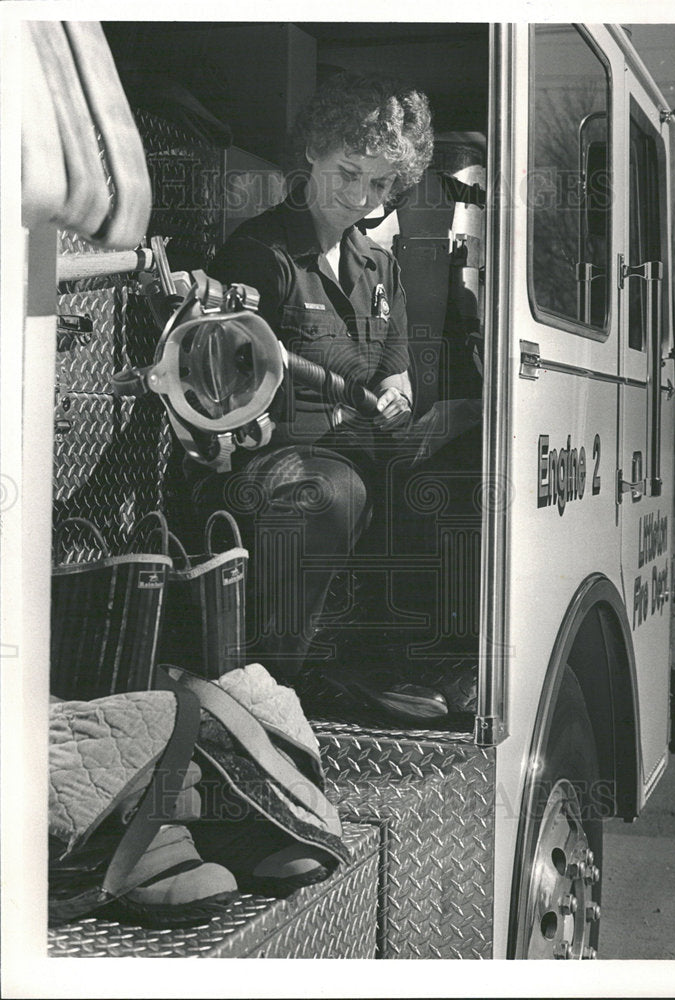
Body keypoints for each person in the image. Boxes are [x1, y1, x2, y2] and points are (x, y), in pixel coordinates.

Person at [184, 72, 460, 721]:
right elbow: (221, 390)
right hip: (265, 467)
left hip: (356, 458)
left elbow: (397, 373)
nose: (361, 198)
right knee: (333, 490)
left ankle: (393, 662)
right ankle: (270, 684)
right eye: (348, 173)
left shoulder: (381, 269)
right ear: (313, 152)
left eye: (381, 184)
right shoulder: (261, 256)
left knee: (455, 478)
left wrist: (397, 396)